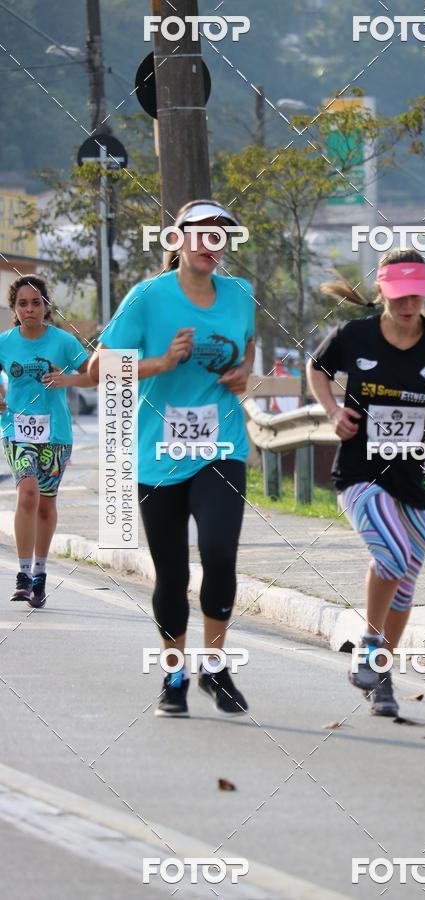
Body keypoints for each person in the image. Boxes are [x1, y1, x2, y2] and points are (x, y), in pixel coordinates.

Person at [89, 200, 255, 718]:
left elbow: (247, 344)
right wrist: (161, 362)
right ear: (176, 240)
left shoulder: (241, 294)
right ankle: (174, 673)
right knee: (171, 573)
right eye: (200, 234)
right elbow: (98, 367)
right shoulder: (147, 298)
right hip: (157, 454)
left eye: (220, 235)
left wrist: (242, 371)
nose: (211, 244)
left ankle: (216, 665)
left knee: (220, 551)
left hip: (220, 446)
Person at [307, 249, 425, 717]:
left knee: (407, 584)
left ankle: (380, 674)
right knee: (391, 556)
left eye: (416, 294)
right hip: (360, 472)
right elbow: (316, 370)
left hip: (417, 476)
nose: (407, 303)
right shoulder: (354, 336)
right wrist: (334, 411)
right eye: (398, 294)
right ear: (382, 293)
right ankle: (370, 644)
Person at [0, 275, 94, 608]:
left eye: (36, 302)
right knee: (27, 493)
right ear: (14, 308)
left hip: (56, 434)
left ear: (45, 306)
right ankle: (23, 575)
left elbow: (93, 375)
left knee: (46, 504)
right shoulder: (4, 342)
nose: (29, 309)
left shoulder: (64, 343)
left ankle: (40, 574)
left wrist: (66, 378)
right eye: (22, 303)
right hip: (17, 430)